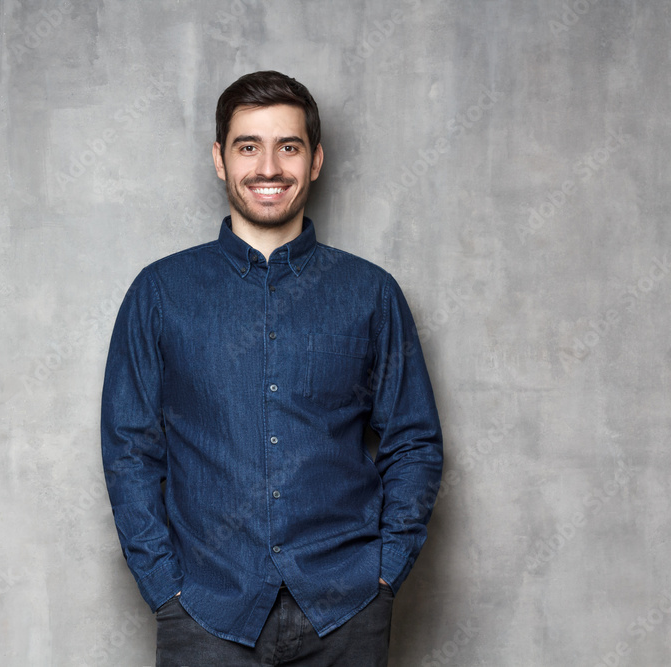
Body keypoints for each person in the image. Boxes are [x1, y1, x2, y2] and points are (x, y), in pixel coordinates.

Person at [100, 70, 443, 666]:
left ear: (315, 160)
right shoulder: (160, 294)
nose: (268, 167)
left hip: (347, 610)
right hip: (204, 613)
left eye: (288, 146)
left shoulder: (371, 293)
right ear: (219, 159)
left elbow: (413, 442)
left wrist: (386, 571)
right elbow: (130, 450)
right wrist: (165, 588)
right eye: (247, 147)